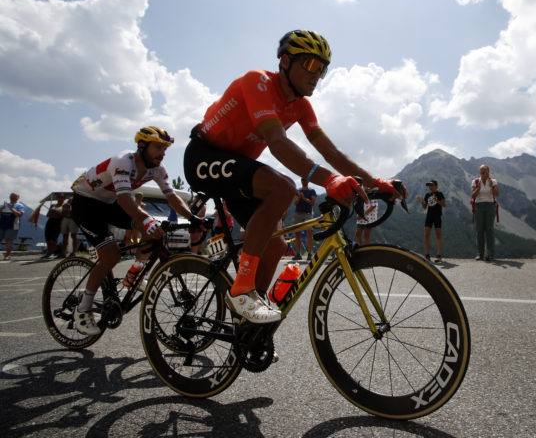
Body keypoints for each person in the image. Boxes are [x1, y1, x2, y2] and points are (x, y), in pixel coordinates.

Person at [184, 29, 404, 324]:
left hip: (237, 168)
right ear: (286, 62)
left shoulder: (301, 106)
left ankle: (247, 319)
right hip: (203, 156)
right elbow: (277, 143)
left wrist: (376, 182)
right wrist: (329, 180)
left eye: (323, 68)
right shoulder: (257, 82)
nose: (317, 75)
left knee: (276, 244)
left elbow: (332, 153)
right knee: (283, 187)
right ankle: (241, 290)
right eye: (311, 65)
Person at [70, 126, 203, 335]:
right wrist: (146, 220)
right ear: (142, 145)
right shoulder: (123, 161)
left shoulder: (158, 169)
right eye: (158, 147)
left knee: (152, 230)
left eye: (165, 149)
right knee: (111, 255)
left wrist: (194, 218)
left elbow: (172, 197)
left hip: (110, 203)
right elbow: (125, 199)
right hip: (86, 204)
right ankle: (83, 309)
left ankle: (133, 275)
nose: (162, 153)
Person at [471, 164, 499, 261]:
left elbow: (496, 194)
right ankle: (480, 253)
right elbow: (473, 196)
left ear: (488, 171)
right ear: (479, 171)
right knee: (479, 230)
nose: (483, 171)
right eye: (481, 170)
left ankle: (490, 253)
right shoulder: (475, 181)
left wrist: (491, 187)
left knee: (489, 230)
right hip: (478, 206)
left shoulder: (493, 181)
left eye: (485, 170)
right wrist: (478, 188)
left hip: (490, 206)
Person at [416, 180, 446, 262]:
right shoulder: (427, 194)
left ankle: (438, 255)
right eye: (429, 185)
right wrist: (421, 201)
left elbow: (444, 204)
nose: (430, 187)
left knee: (438, 235)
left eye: (432, 185)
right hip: (429, 216)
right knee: (426, 235)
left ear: (436, 186)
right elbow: (424, 207)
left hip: (437, 216)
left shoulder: (440, 194)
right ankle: (427, 254)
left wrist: (437, 200)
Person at [292, 177, 316, 260]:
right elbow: (295, 203)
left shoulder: (312, 191)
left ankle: (309, 253)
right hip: (298, 213)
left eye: (305, 179)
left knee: (309, 233)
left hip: (308, 214)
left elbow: (313, 203)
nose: (303, 181)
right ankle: (298, 254)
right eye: (302, 179)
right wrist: (298, 197)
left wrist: (304, 198)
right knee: (297, 234)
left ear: (308, 181)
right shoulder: (298, 191)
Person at [1, 192, 24, 261]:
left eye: (14, 196)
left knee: (9, 240)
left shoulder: (19, 206)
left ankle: (7, 255)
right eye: (11, 196)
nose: (13, 198)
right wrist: (2, 208)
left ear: (18, 198)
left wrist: (12, 209)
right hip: (1, 224)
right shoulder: (4, 204)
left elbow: (20, 214)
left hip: (13, 225)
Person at [43, 194, 66, 259]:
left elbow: (64, 215)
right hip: (50, 221)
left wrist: (58, 213)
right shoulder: (53, 205)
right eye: (59, 198)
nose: (60, 199)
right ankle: (48, 252)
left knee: (54, 238)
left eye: (61, 198)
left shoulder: (64, 206)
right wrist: (52, 212)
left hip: (58, 222)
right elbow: (48, 214)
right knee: (48, 237)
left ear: (64, 199)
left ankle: (52, 252)